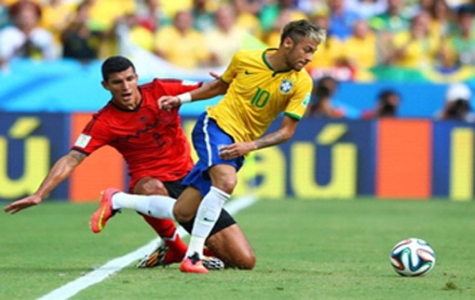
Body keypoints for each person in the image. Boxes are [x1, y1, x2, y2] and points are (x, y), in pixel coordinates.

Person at [91, 19, 327, 273]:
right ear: (288, 43)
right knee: (225, 182)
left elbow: (286, 132)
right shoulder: (246, 58)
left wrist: (250, 145)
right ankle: (193, 257)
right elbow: (218, 86)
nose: (310, 57)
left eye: (313, 51)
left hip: (238, 144)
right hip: (215, 126)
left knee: (185, 213)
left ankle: (118, 200)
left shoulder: (302, 82)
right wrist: (180, 98)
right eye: (308, 49)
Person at [3, 55, 255, 270]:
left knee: (244, 261)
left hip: (189, 179)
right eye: (117, 82)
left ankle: (176, 251)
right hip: (151, 182)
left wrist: (227, 79)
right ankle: (174, 246)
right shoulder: (104, 121)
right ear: (105, 85)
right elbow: (72, 158)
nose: (125, 87)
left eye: (129, 79)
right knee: (147, 188)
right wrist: (39, 193)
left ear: (136, 77)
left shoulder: (161, 89)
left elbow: (210, 88)